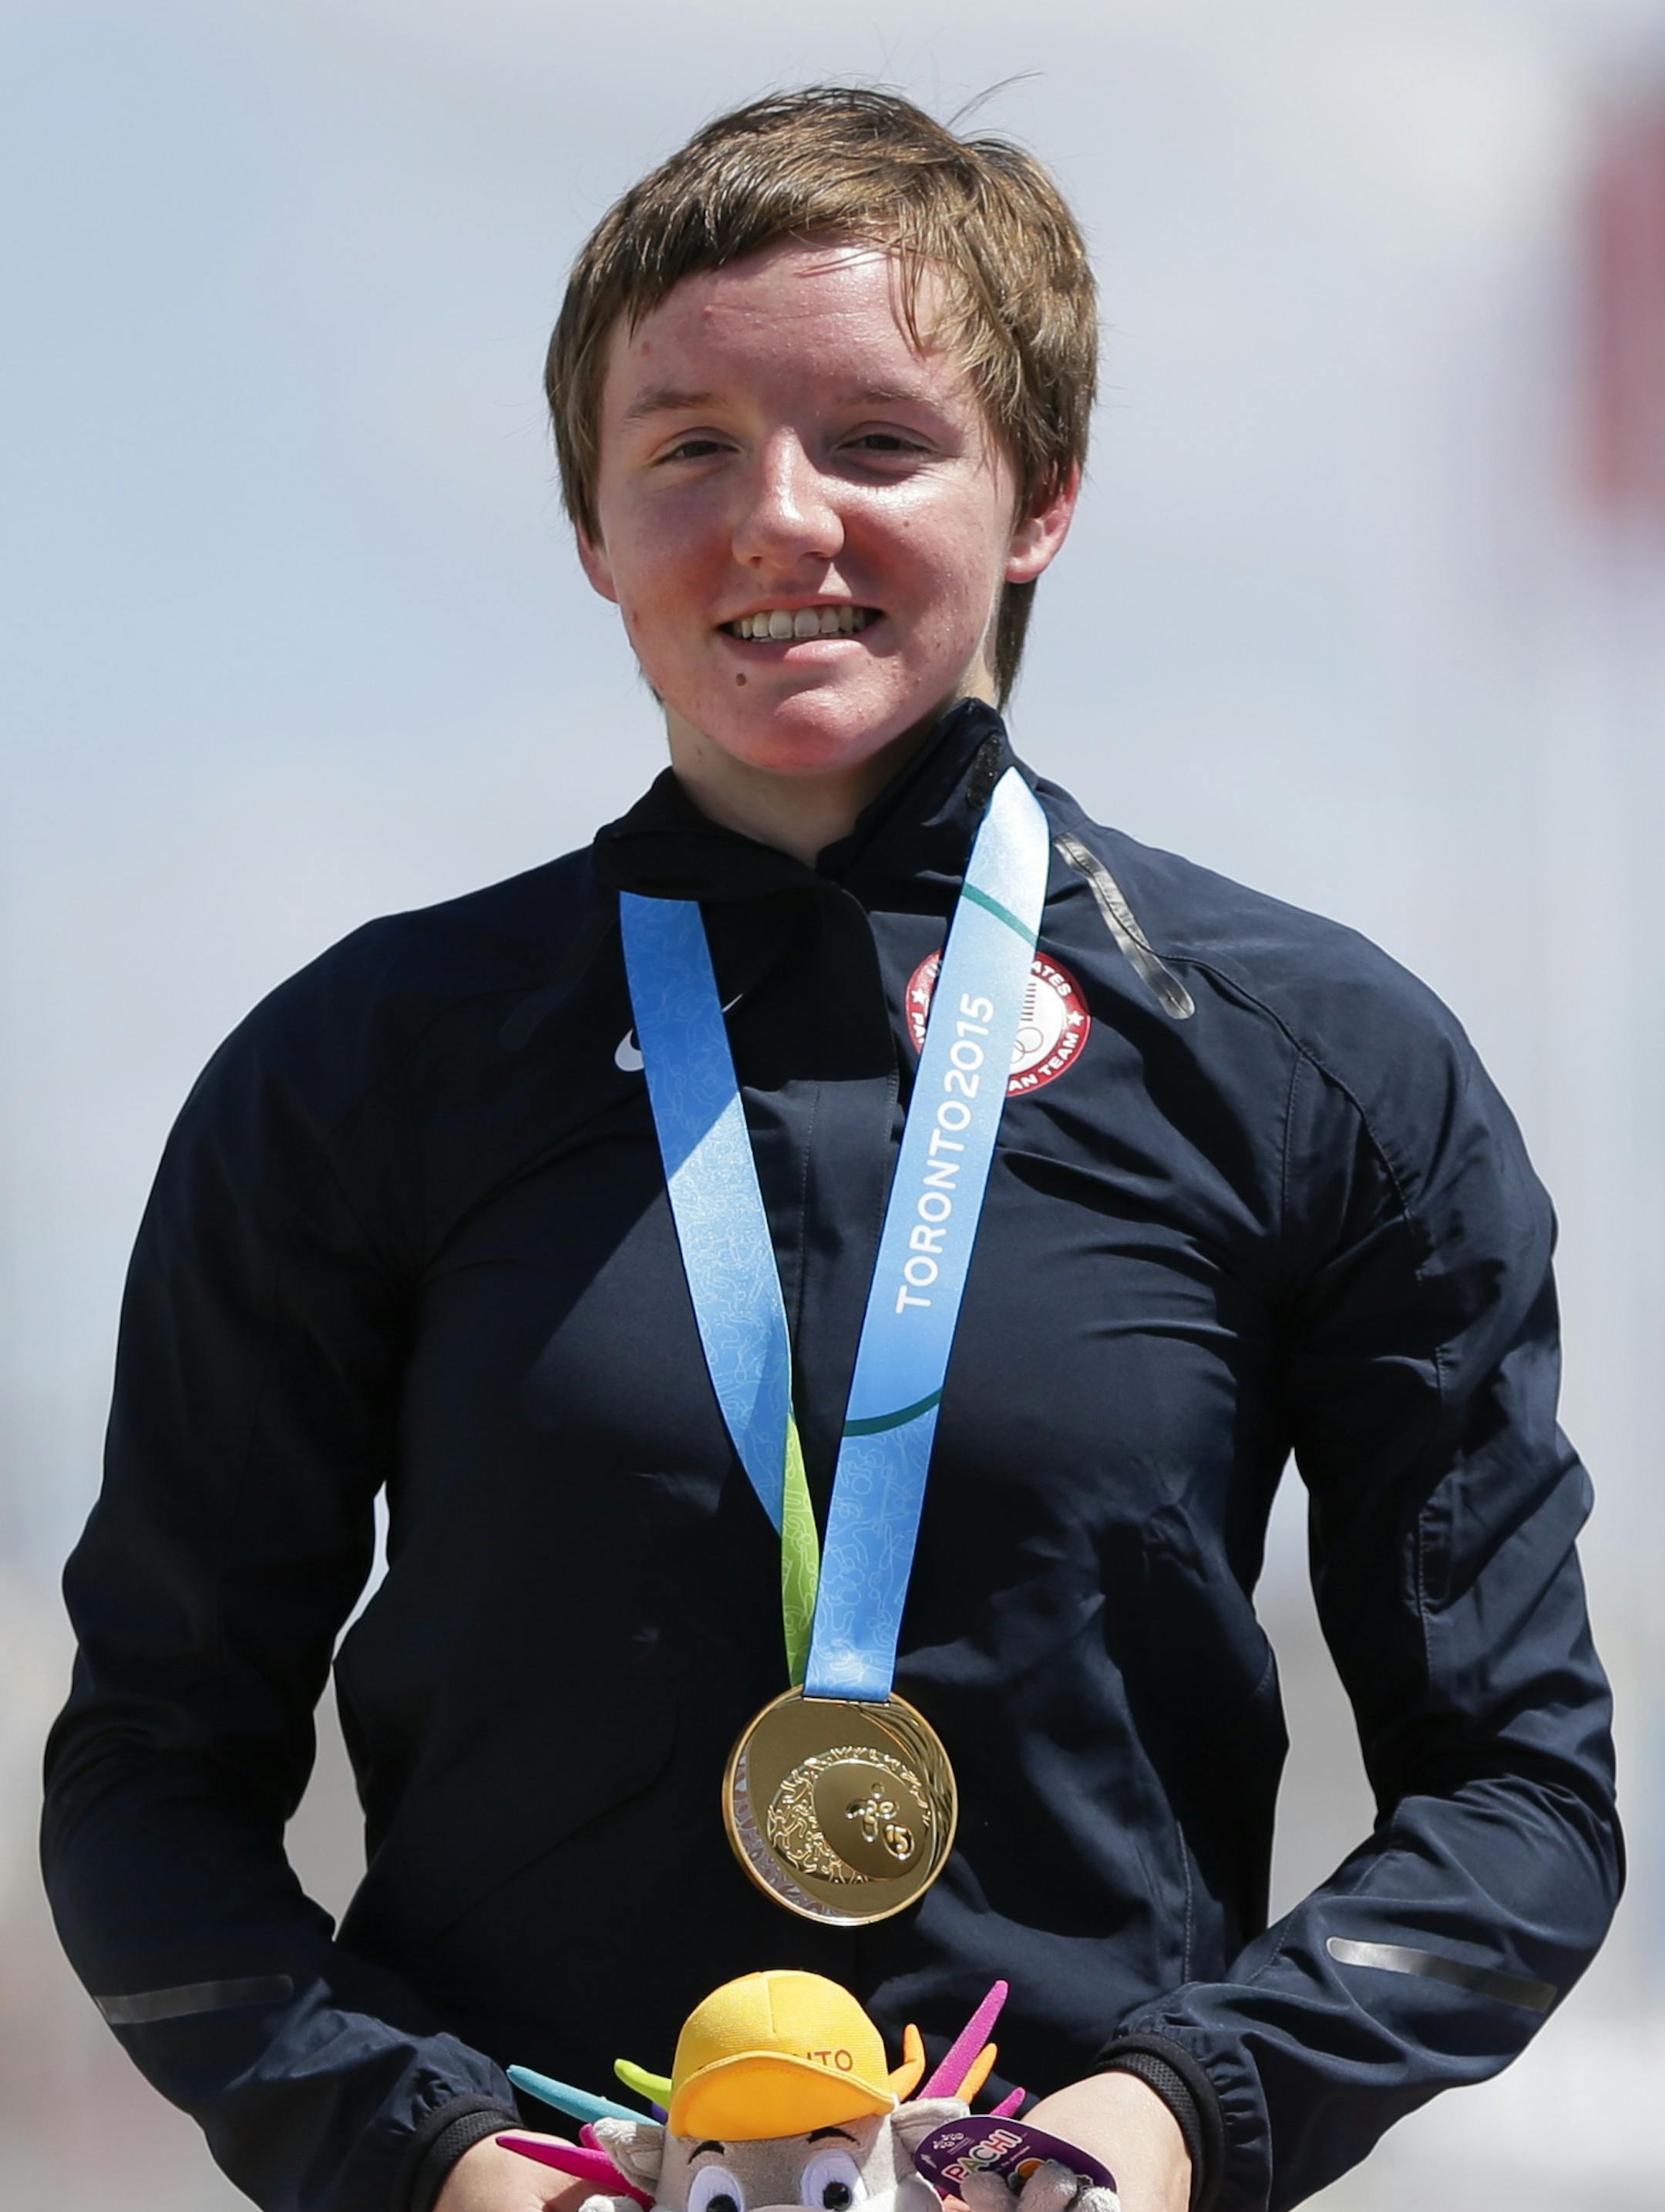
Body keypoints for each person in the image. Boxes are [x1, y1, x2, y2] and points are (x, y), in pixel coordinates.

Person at [41, 85, 1621, 2212]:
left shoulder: (1318, 1064)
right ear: (592, 527)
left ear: (1040, 495)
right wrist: (431, 2157)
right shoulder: (359, 1071)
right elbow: (150, 1777)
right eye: (688, 445)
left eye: (878, 440)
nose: (781, 519)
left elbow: (1521, 1795)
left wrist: (1165, 2130)